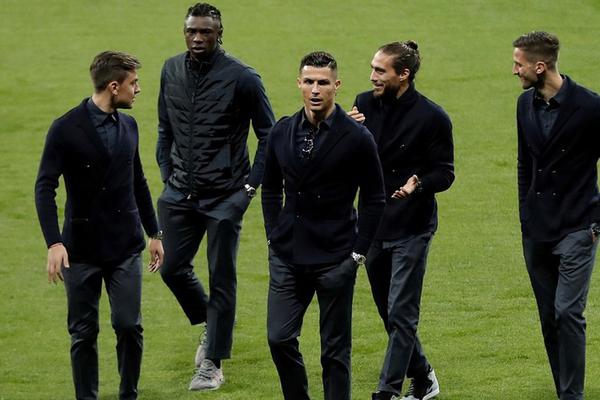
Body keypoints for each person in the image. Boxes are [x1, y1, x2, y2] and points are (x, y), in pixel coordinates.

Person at [155, 2, 275, 391]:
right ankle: (213, 321)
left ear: (219, 34)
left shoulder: (243, 78)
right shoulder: (171, 70)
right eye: (192, 31)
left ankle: (213, 364)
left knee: (222, 276)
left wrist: (248, 189)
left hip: (226, 196)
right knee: (172, 269)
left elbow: (269, 135)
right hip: (179, 192)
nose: (197, 37)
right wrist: (166, 171)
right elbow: (164, 127)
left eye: (206, 31)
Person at [34, 51, 164, 400]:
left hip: (125, 246)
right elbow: (45, 187)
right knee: (83, 332)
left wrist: (154, 233)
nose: (138, 89)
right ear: (113, 86)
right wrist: (54, 242)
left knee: (129, 325)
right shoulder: (65, 128)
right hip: (81, 250)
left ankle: (128, 394)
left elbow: (138, 181)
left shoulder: (129, 126)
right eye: (133, 83)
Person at [262, 51, 386, 400]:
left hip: (335, 257)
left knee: (335, 351)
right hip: (288, 255)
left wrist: (357, 256)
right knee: (278, 337)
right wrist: (272, 236)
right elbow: (269, 188)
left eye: (323, 83)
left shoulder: (357, 137)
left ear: (336, 85)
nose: (315, 90)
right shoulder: (282, 131)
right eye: (309, 82)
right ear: (298, 84)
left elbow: (375, 198)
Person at [349, 41, 454, 400]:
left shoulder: (433, 117)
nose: (372, 76)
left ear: (403, 75)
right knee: (388, 312)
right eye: (373, 68)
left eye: (381, 71)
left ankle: (387, 391)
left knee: (402, 312)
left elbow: (445, 172)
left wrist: (418, 184)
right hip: (373, 225)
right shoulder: (363, 105)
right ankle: (423, 375)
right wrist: (342, 130)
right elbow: (350, 159)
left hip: (413, 227)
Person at [512, 31, 600, 400]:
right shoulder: (524, 105)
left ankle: (572, 396)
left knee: (567, 313)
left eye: (518, 64)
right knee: (549, 317)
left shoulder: (590, 107)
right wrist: (525, 214)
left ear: (539, 66)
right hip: (537, 228)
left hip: (578, 226)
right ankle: (565, 390)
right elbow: (524, 164)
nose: (514, 71)